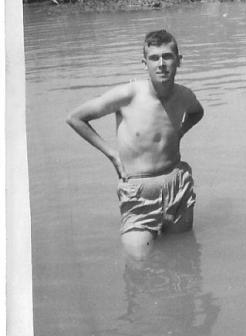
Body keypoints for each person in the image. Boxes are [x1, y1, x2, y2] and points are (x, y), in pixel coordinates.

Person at [66, 29, 204, 259]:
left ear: (179, 61)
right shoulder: (127, 95)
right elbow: (75, 118)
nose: (161, 64)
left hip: (177, 184)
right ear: (144, 63)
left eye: (167, 57)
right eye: (154, 58)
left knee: (184, 255)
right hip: (139, 191)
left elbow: (197, 112)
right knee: (138, 262)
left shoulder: (184, 95)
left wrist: (180, 133)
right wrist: (112, 154)